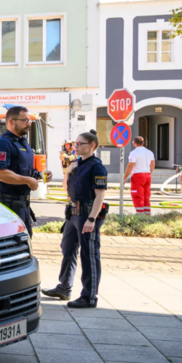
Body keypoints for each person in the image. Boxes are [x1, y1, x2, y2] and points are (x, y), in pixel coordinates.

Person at [42, 130, 108, 308]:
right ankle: (64, 287)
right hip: (73, 213)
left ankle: (89, 297)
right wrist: (68, 171)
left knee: (89, 254)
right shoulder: (77, 164)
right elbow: (66, 188)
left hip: (87, 214)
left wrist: (92, 220)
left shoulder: (97, 167)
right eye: (75, 143)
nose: (75, 147)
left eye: (80, 144)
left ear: (91, 146)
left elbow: (99, 197)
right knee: (68, 249)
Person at [0, 106, 51, 236]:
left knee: (25, 242)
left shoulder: (24, 143)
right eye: (25, 121)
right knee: (10, 245)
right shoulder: (3, 143)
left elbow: (25, 170)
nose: (28, 124)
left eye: (29, 121)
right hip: (8, 205)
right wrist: (27, 180)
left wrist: (39, 175)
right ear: (11, 122)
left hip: (23, 206)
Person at [124, 136, 155, 216]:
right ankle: (147, 214)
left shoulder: (134, 153)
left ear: (134, 143)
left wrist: (124, 178)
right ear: (143, 143)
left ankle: (140, 215)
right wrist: (149, 173)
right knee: (146, 195)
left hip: (138, 176)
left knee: (137, 195)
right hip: (147, 175)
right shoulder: (150, 152)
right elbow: (152, 165)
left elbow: (130, 166)